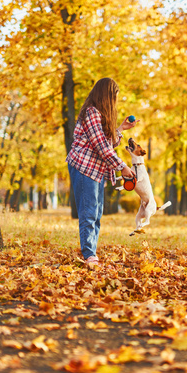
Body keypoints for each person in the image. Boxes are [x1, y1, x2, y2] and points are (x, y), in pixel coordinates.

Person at [66, 77, 137, 269]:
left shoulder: (98, 115)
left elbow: (108, 143)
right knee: (88, 212)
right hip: (84, 166)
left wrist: (121, 129)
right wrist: (123, 166)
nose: (115, 101)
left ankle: (91, 252)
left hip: (96, 169)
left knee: (97, 213)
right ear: (106, 95)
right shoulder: (91, 113)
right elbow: (101, 147)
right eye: (114, 96)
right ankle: (89, 254)